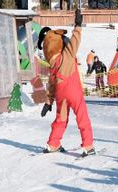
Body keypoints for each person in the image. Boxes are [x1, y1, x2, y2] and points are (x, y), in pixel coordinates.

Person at [39, 8, 95, 156]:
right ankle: (88, 145)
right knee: (82, 116)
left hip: (60, 95)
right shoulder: (66, 55)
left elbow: (51, 85)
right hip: (73, 91)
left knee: (61, 118)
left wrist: (48, 102)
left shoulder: (52, 66)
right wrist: (78, 26)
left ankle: (53, 143)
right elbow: (75, 42)